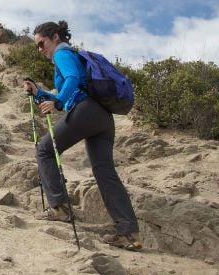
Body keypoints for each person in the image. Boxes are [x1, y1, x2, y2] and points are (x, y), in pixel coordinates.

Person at [23, 20, 142, 251]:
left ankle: (59, 208)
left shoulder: (62, 53)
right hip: (103, 118)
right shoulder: (73, 54)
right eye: (37, 46)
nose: (40, 49)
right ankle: (129, 232)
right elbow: (72, 88)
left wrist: (56, 102)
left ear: (55, 37)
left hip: (86, 111)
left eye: (41, 43)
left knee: (45, 149)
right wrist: (39, 93)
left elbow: (72, 79)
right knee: (105, 172)